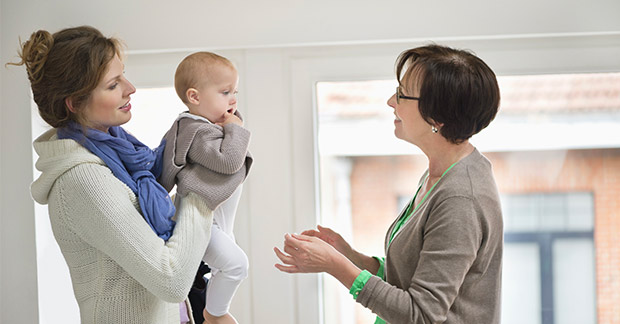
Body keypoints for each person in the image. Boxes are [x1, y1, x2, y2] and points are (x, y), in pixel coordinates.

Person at [274, 44, 503, 324]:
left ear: (437, 119)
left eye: (402, 94)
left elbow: (420, 314)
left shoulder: (460, 199)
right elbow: (410, 278)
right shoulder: (440, 173)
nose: (391, 102)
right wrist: (349, 255)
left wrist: (336, 266)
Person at [12, 26, 214, 324]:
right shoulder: (84, 180)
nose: (130, 88)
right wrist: (203, 189)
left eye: (124, 75)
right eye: (113, 84)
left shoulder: (119, 159)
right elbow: (170, 278)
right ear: (75, 103)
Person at [159, 52, 253, 324]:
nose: (233, 99)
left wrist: (231, 123)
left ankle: (208, 308)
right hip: (200, 223)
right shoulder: (195, 132)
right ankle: (214, 315)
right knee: (237, 265)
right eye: (225, 92)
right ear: (195, 97)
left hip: (217, 220)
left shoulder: (202, 126)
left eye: (235, 91)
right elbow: (228, 160)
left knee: (224, 267)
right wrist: (237, 128)